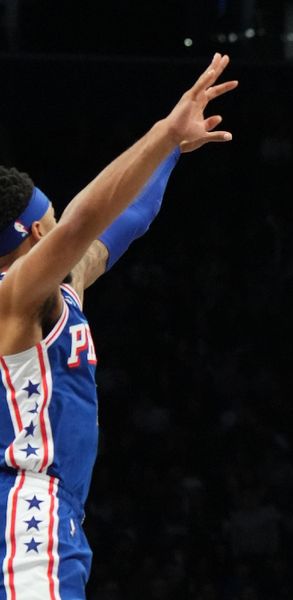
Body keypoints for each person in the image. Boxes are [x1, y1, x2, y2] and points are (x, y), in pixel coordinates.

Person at [0, 53, 237, 598]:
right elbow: (87, 217)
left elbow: (126, 220)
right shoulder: (15, 299)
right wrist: (162, 131)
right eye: (52, 219)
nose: (65, 227)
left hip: (44, 512)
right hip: (25, 521)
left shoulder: (58, 291)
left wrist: (173, 153)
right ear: (37, 230)